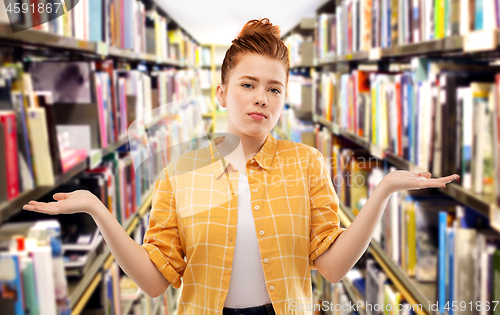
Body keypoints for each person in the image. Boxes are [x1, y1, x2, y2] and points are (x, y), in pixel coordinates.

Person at [23, 18, 459, 315]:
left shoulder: (307, 164)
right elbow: (156, 282)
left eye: (274, 89)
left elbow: (332, 267)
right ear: (221, 92)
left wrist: (382, 193)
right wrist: (99, 211)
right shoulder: (181, 170)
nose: (261, 98)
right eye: (248, 84)